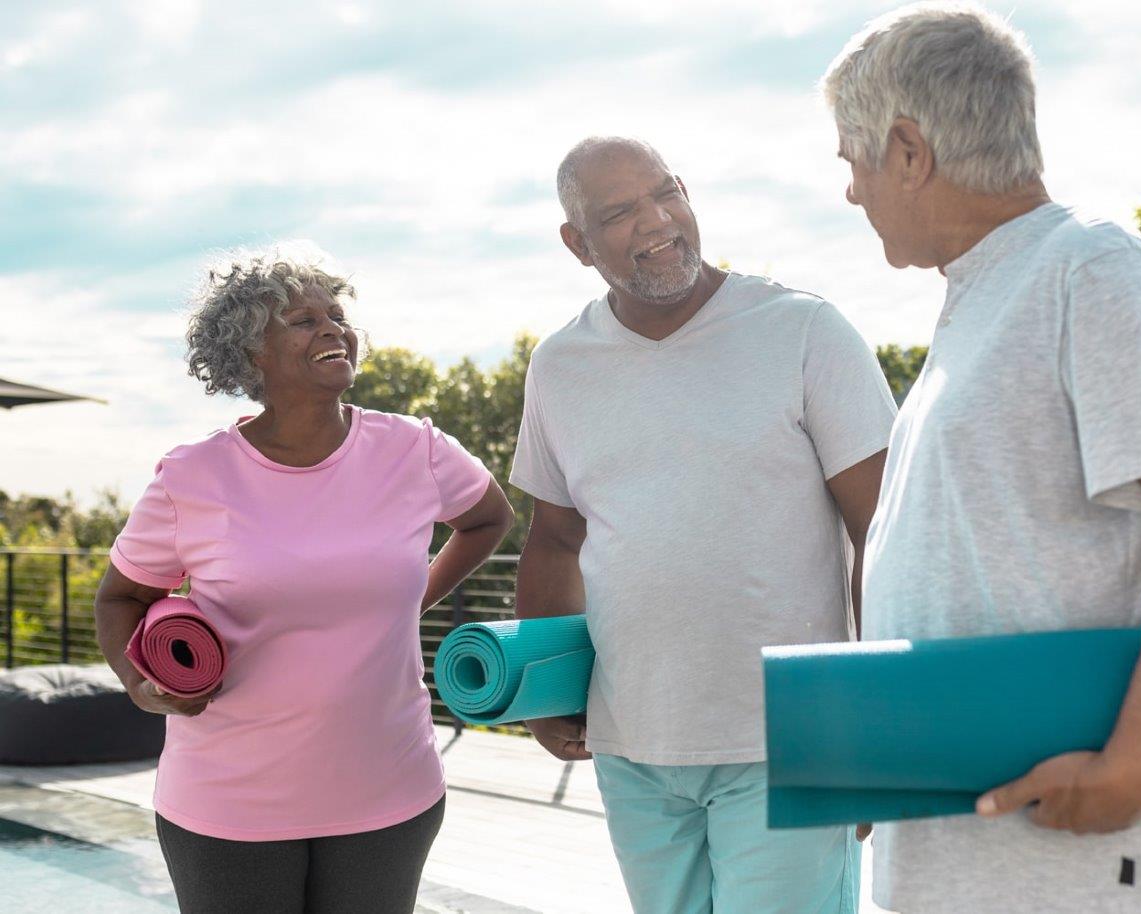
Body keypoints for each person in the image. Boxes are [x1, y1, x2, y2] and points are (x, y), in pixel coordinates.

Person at [821, 5, 1141, 912]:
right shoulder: (984, 304)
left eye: (853, 159)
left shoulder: (1094, 271)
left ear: (910, 152)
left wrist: (1135, 766)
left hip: (1072, 872)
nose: (850, 191)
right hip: (967, 865)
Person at [509, 136, 898, 913]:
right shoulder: (560, 365)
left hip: (789, 741)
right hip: (631, 744)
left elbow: (884, 529)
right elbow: (554, 538)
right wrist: (542, 692)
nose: (658, 221)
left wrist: (872, 725)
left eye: (667, 192)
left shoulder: (803, 330)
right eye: (620, 211)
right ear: (576, 243)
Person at [94, 246, 514, 914]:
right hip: (227, 803)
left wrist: (413, 599)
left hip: (389, 790)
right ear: (250, 351)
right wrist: (135, 683)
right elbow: (121, 596)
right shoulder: (192, 477)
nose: (332, 329)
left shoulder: (415, 449)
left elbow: (490, 518)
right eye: (301, 319)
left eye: (337, 314)